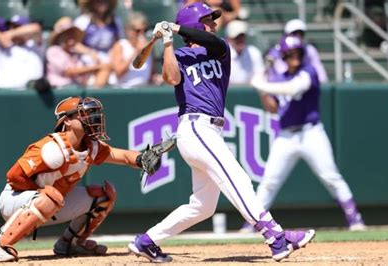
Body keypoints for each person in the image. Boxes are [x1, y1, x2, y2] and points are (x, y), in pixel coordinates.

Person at [127, 3, 316, 263]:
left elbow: (209, 39)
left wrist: (176, 28)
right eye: (208, 19)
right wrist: (168, 43)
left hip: (209, 130)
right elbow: (171, 78)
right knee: (237, 178)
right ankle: (275, 236)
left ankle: (146, 241)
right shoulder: (180, 55)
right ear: (195, 24)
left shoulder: (220, 49)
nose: (214, 23)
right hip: (195, 127)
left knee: (203, 206)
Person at [0, 96, 157, 262]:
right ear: (67, 121)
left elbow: (120, 155)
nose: (90, 118)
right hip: (15, 200)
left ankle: (70, 244)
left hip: (53, 203)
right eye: (83, 115)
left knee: (103, 196)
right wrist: (40, 191)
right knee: (51, 196)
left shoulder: (91, 146)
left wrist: (141, 159)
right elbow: (13, 177)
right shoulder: (51, 147)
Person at [249, 35, 366, 232]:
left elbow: (294, 88)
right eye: (290, 54)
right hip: (286, 136)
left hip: (311, 133)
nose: (294, 57)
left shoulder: (308, 72)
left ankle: (355, 219)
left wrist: (261, 84)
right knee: (269, 182)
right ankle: (252, 223)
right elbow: (272, 108)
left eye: (297, 53)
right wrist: (263, 82)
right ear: (284, 56)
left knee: (330, 176)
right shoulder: (279, 77)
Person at [0, 15, 44, 90]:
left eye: (17, 27)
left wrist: (9, 34)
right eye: (10, 27)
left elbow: (35, 28)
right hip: (6, 93)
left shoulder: (34, 44)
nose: (11, 29)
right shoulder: (1, 47)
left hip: (33, 93)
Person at [46, 17, 110, 89]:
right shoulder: (54, 50)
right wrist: (96, 67)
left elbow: (86, 75)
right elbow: (69, 72)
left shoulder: (77, 54)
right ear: (60, 37)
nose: (71, 37)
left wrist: (89, 52)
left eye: (72, 34)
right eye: (67, 34)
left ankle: (96, 98)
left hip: (76, 90)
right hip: (60, 90)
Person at [267, 19, 328, 84]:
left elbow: (319, 71)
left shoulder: (309, 52)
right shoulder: (276, 51)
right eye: (290, 54)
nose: (298, 36)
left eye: (299, 53)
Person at [109, 11, 154, 88]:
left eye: (144, 30)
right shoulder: (120, 45)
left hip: (143, 90)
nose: (141, 34)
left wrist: (155, 78)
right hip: (123, 90)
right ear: (128, 30)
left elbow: (150, 74)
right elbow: (119, 72)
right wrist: (136, 52)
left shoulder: (149, 48)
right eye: (138, 31)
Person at [226, 20, 264, 85]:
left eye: (242, 36)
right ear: (229, 39)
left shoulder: (254, 52)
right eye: (237, 37)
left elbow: (260, 75)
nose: (240, 40)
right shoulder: (223, 54)